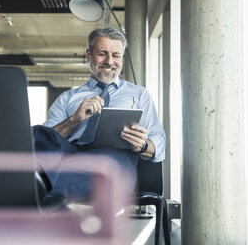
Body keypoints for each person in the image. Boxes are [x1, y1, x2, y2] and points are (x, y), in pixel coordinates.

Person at [33, 27, 166, 200]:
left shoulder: (139, 95)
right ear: (89, 55)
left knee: (107, 160)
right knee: (37, 132)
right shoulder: (68, 98)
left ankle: (32, 190)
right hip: (72, 156)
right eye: (102, 54)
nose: (109, 61)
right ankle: (35, 187)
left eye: (116, 55)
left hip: (117, 159)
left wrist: (142, 145)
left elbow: (159, 142)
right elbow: (45, 143)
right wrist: (74, 120)